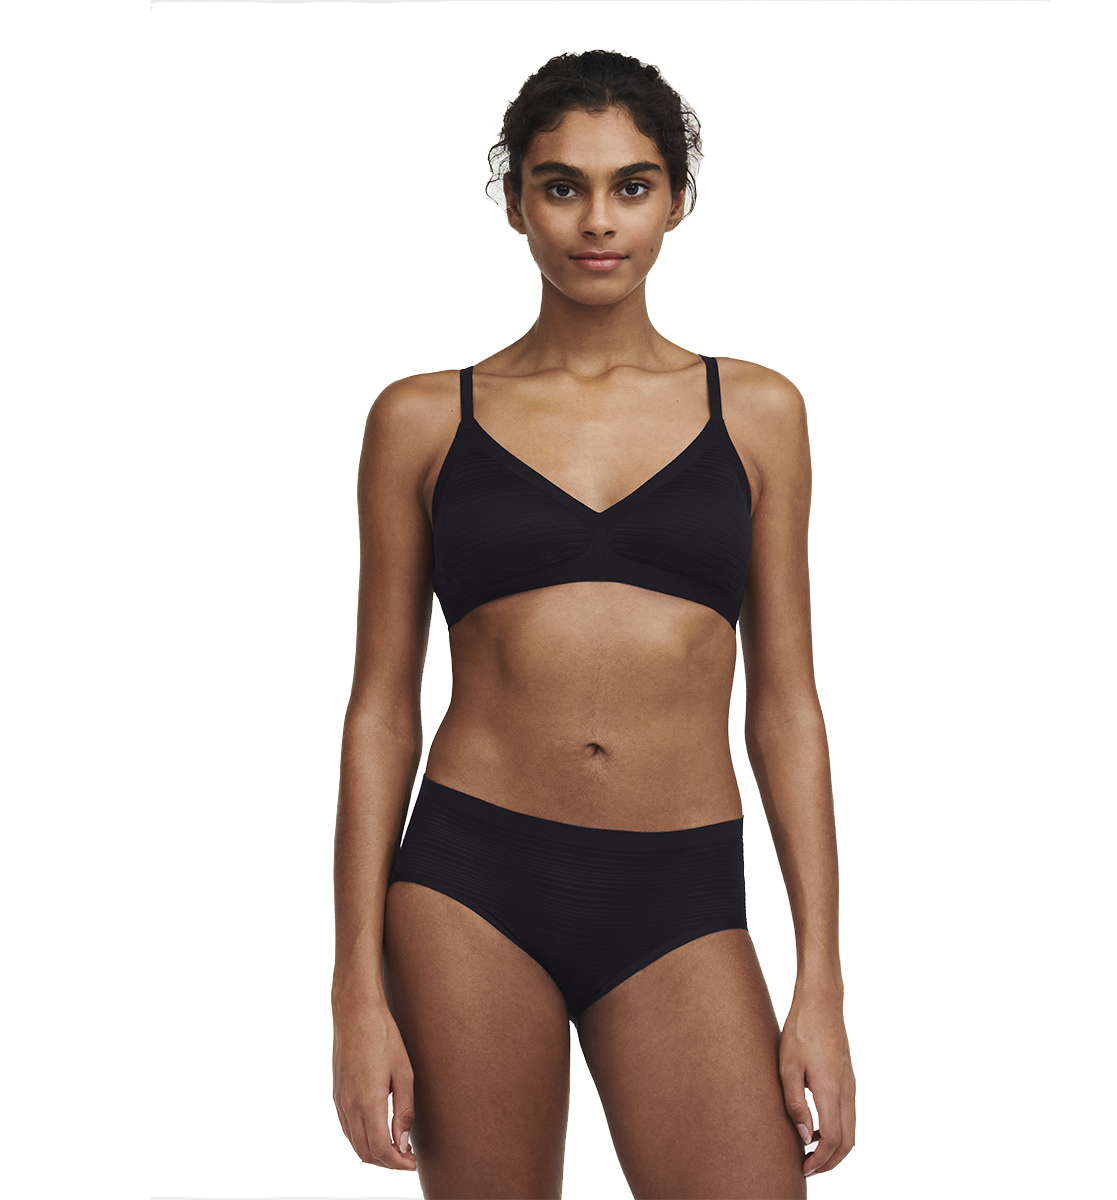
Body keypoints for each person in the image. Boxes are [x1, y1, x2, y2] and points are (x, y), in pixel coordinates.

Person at [331, 48, 855, 1199]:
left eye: (633, 184)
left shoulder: (757, 412)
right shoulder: (421, 420)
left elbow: (786, 708)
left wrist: (820, 979)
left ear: (678, 201)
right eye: (562, 185)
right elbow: (380, 712)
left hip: (682, 891)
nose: (598, 220)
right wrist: (354, 991)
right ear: (515, 200)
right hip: (469, 884)